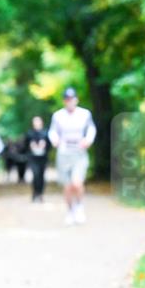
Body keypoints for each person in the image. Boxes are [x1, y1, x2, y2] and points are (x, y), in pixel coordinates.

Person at [48, 87, 96, 224]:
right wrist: (55, 140)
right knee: (68, 185)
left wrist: (88, 140)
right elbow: (53, 132)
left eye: (72, 99)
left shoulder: (84, 114)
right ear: (64, 101)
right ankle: (70, 211)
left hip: (79, 152)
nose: (70, 102)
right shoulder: (58, 116)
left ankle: (79, 206)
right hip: (64, 152)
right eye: (67, 99)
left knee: (77, 182)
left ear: (76, 100)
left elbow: (91, 129)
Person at [25, 115, 50, 202]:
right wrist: (31, 146)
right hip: (33, 158)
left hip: (43, 158)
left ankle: (40, 193)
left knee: (41, 176)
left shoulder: (46, 133)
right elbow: (25, 146)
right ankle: (35, 193)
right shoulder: (29, 133)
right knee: (35, 175)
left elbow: (50, 146)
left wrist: (44, 146)